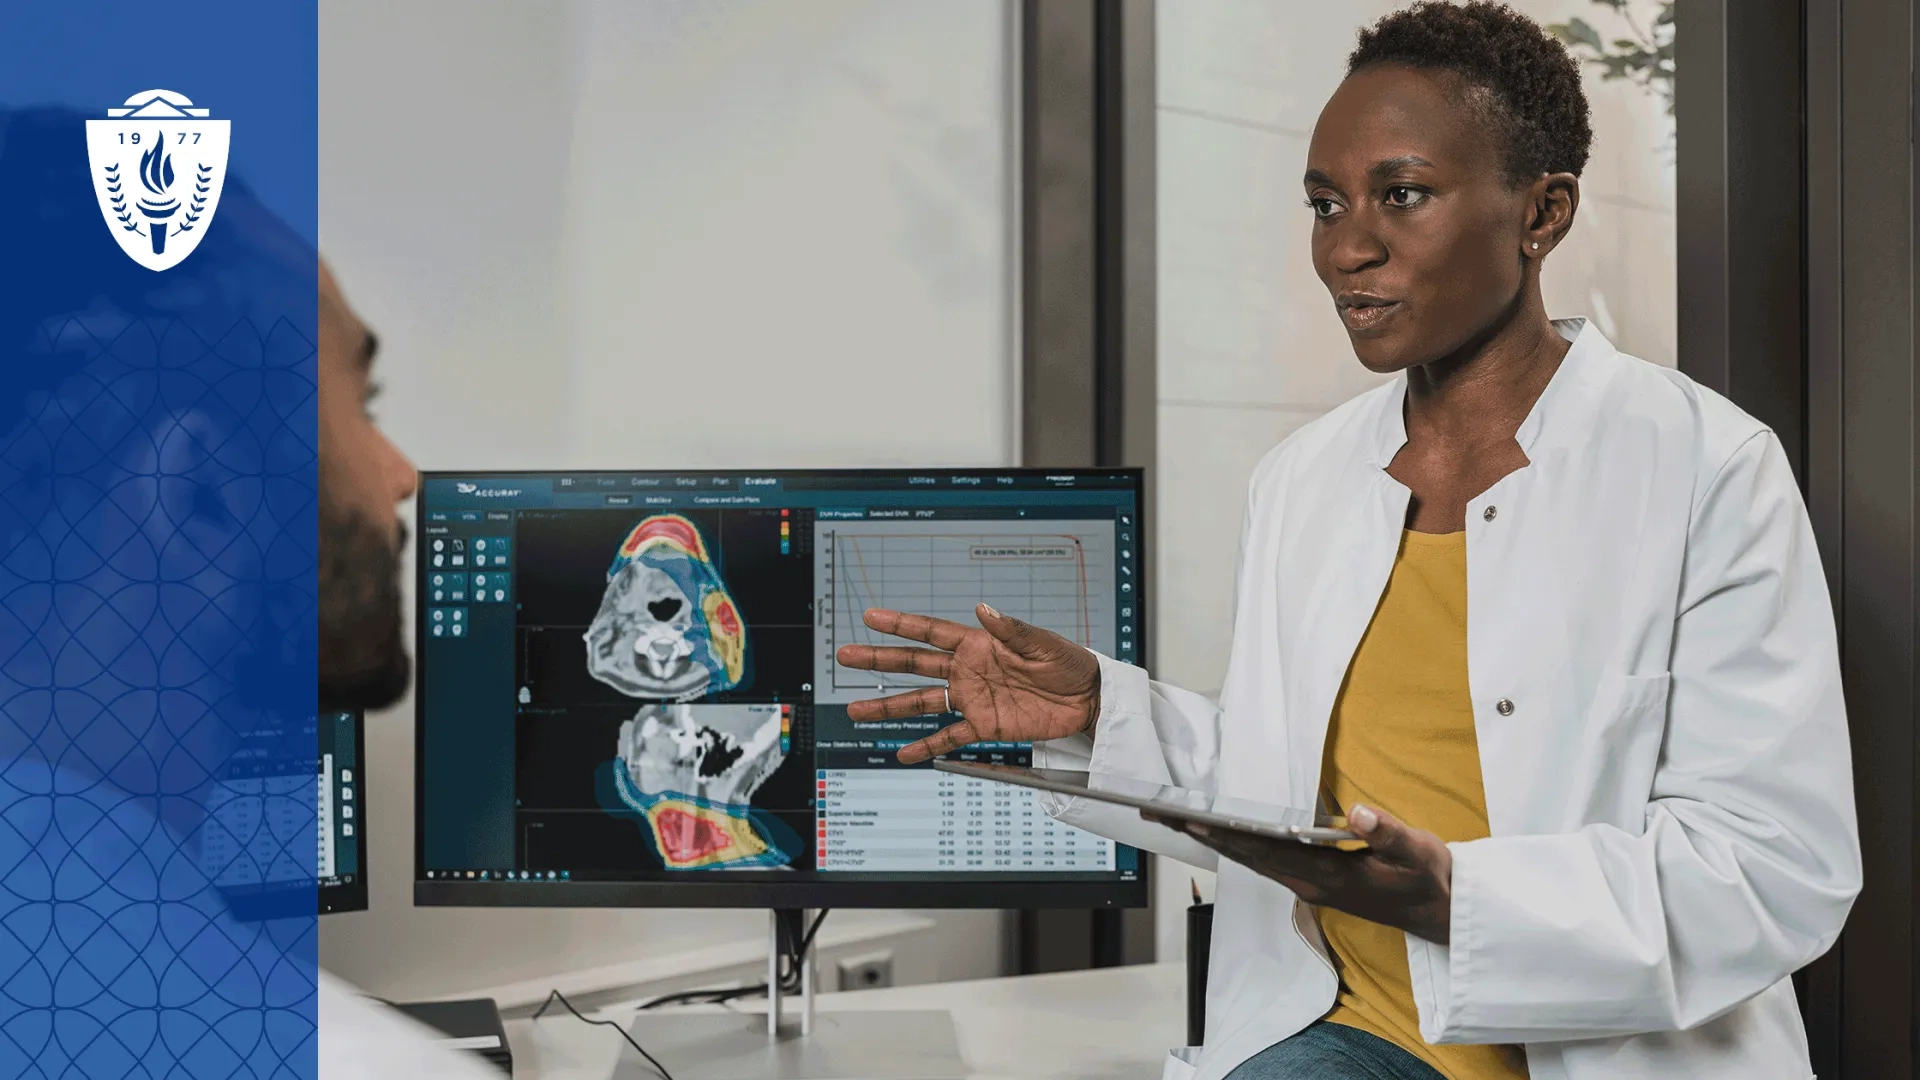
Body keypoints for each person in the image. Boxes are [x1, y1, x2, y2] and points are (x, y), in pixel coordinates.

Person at [837, 5, 1859, 1079]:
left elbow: (1776, 867)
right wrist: (1103, 713)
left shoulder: (1705, 466)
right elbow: (1287, 794)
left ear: (1542, 214)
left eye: (1401, 195)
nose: (1346, 246)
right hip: (1350, 1035)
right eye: (1325, 203)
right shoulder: (1302, 481)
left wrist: (1461, 900)